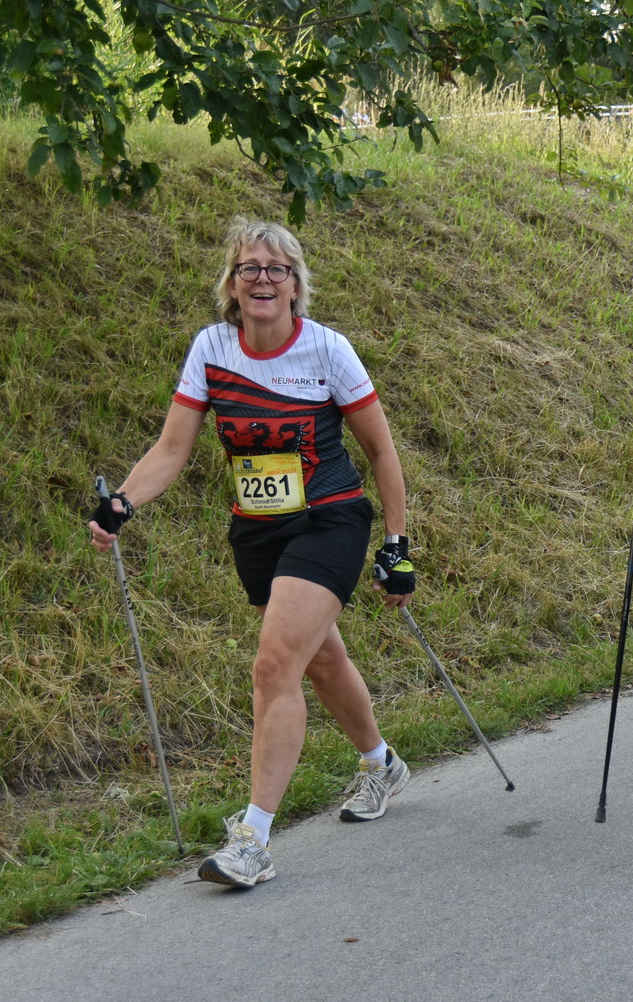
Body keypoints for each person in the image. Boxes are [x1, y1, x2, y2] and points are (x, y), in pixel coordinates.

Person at [87, 217, 417, 890]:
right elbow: (173, 448)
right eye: (249, 268)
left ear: (297, 285)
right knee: (320, 657)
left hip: (328, 521)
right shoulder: (211, 349)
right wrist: (122, 502)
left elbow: (382, 452)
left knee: (274, 666)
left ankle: (253, 838)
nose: (262, 279)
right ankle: (380, 762)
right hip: (258, 532)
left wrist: (396, 546)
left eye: (276, 268)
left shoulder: (326, 350)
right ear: (232, 286)